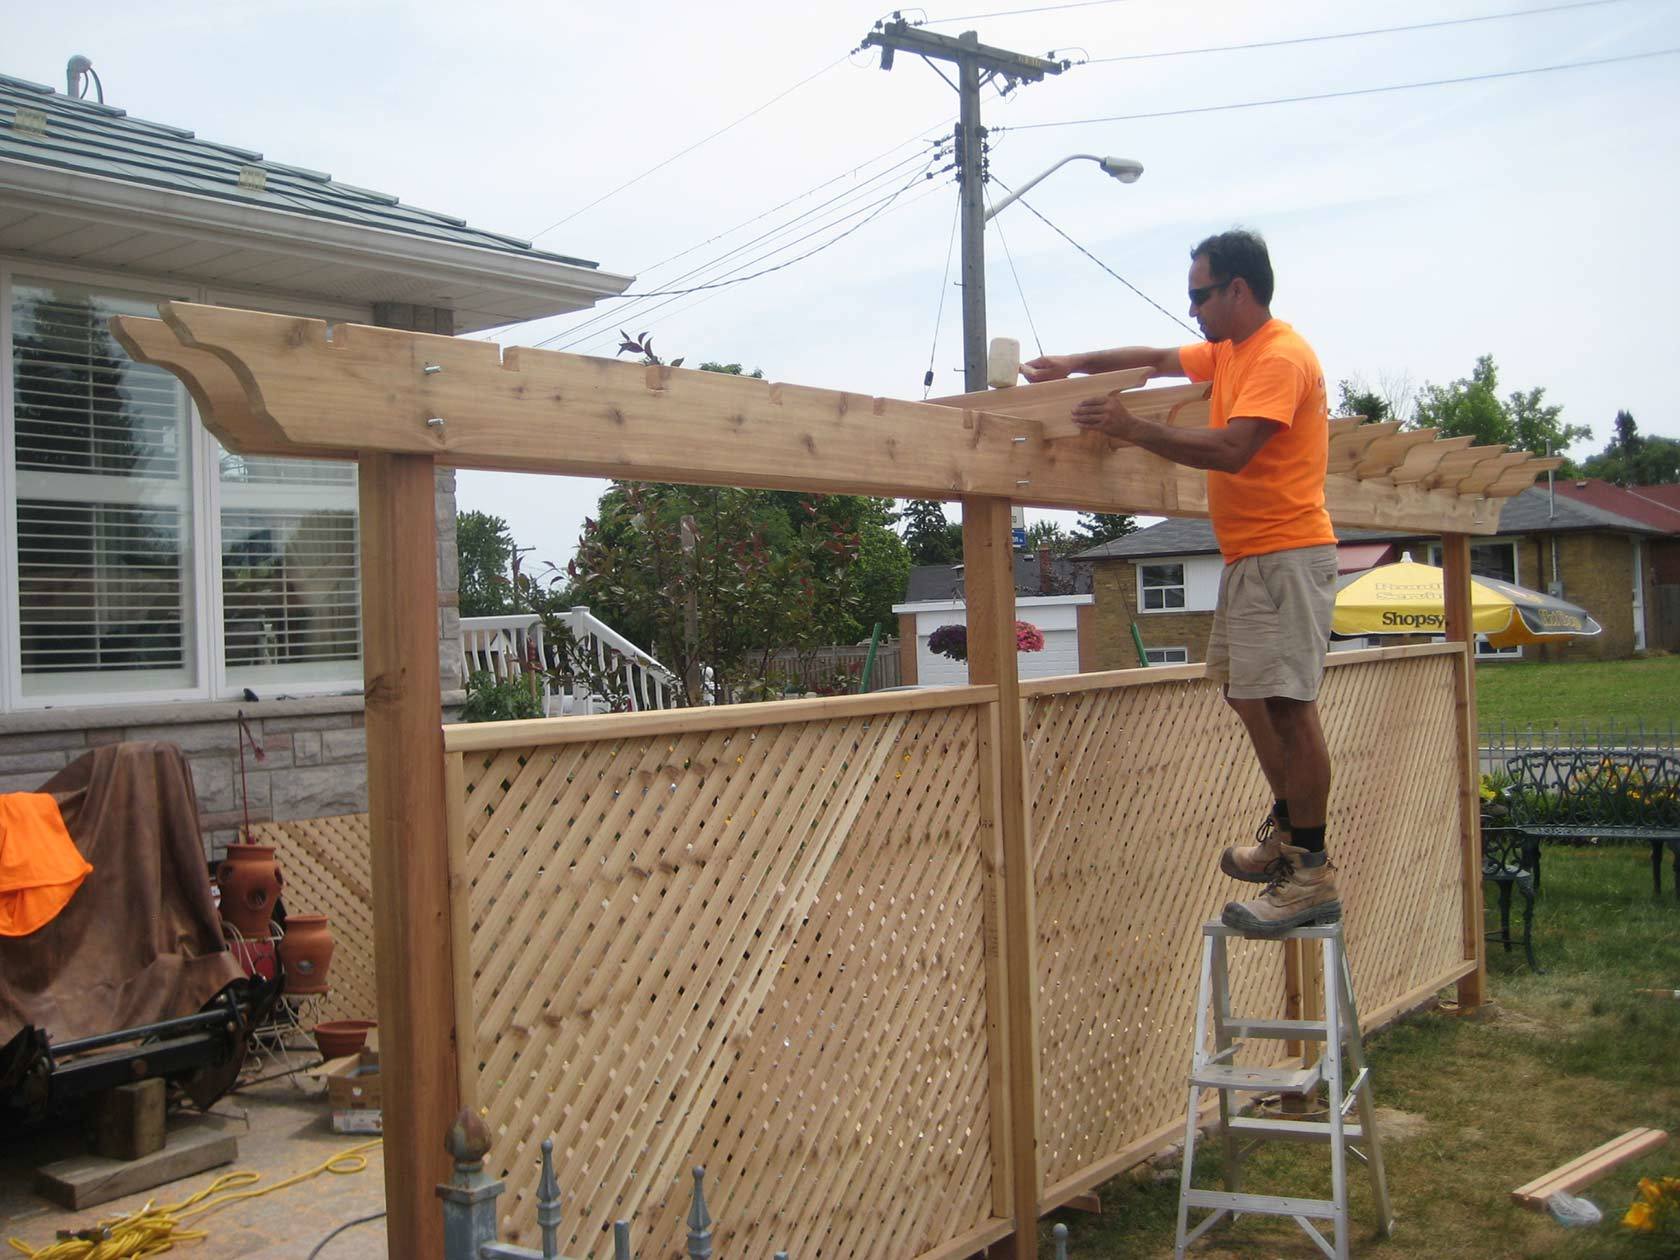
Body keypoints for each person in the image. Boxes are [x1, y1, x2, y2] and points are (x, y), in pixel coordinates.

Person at [1021, 228, 1339, 936]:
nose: (1191, 309)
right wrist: (1076, 364)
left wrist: (1132, 428)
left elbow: (1233, 449)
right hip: (1251, 556)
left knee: (1290, 706)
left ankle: (1310, 872)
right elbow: (1154, 359)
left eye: (1200, 295)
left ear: (1238, 289)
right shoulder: (1230, 350)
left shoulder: (1280, 356)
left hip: (1287, 553)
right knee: (1245, 692)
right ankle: (1290, 829)